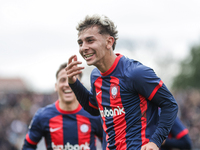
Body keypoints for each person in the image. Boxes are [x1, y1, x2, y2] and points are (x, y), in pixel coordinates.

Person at [65, 14, 178, 150]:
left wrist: (155, 141)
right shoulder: (95, 76)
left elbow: (170, 104)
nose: (83, 47)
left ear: (109, 42)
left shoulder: (136, 73)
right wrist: (74, 83)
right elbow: (95, 109)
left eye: (90, 40)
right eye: (80, 43)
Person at [22, 62, 104, 150]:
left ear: (81, 86)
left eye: (72, 79)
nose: (68, 84)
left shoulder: (94, 114)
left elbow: (108, 142)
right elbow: (28, 146)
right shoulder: (42, 116)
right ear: (56, 86)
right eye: (62, 80)